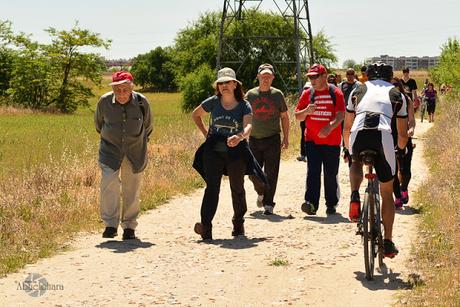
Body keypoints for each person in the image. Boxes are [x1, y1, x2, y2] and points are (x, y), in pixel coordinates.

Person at [343, 63, 409, 258]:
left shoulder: (357, 89)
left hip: (358, 132)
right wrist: (401, 150)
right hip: (382, 135)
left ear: (368, 76)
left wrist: (348, 149)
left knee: (355, 163)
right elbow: (403, 134)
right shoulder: (398, 94)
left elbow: (347, 126)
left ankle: (355, 195)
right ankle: (387, 242)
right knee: (387, 191)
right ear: (390, 77)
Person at [192, 67, 261, 240]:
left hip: (236, 149)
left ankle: (238, 223)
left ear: (235, 84)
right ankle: (205, 227)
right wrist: (205, 132)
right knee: (212, 187)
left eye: (228, 82)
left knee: (237, 187)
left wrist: (240, 136)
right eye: (221, 83)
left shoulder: (244, 104)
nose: (224, 86)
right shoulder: (213, 101)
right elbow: (196, 114)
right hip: (214, 148)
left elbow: (248, 126)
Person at [95, 71, 153, 240]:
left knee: (131, 189)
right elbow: (99, 124)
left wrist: (137, 141)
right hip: (109, 150)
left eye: (124, 90)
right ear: (113, 89)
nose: (121, 93)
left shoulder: (142, 102)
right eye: (117, 90)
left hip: (134, 151)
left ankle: (129, 226)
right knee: (109, 184)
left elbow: (148, 126)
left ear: (131, 88)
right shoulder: (104, 102)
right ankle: (110, 225)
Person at [295, 64, 345, 215]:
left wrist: (330, 126)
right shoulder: (307, 94)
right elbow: (298, 116)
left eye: (315, 77)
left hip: (332, 142)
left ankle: (331, 203)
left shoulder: (335, 93)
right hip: (312, 140)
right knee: (313, 172)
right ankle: (311, 204)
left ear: (324, 76)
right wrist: (306, 111)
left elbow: (341, 114)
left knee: (330, 173)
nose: (312, 80)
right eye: (310, 77)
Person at [245, 64, 290, 215]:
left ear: (272, 78)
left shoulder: (277, 95)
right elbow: (242, 115)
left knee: (272, 172)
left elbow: (284, 117)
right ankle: (261, 191)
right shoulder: (250, 95)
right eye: (263, 76)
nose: (265, 79)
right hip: (254, 139)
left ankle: (269, 204)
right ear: (258, 77)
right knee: (252, 171)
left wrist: (286, 138)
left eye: (268, 76)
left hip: (272, 139)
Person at [390, 77, 415, 209]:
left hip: (404, 136)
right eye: (391, 84)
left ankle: (404, 188)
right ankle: (398, 196)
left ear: (399, 85)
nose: (393, 86)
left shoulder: (406, 99)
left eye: (395, 84)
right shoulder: (386, 100)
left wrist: (411, 128)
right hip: (389, 137)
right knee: (393, 170)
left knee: (405, 169)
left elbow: (411, 119)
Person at [297, 81, 312, 162]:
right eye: (305, 88)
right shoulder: (303, 96)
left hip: (311, 120)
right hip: (304, 119)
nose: (306, 90)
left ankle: (308, 154)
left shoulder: (314, 96)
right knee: (303, 136)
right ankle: (303, 154)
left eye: (308, 88)